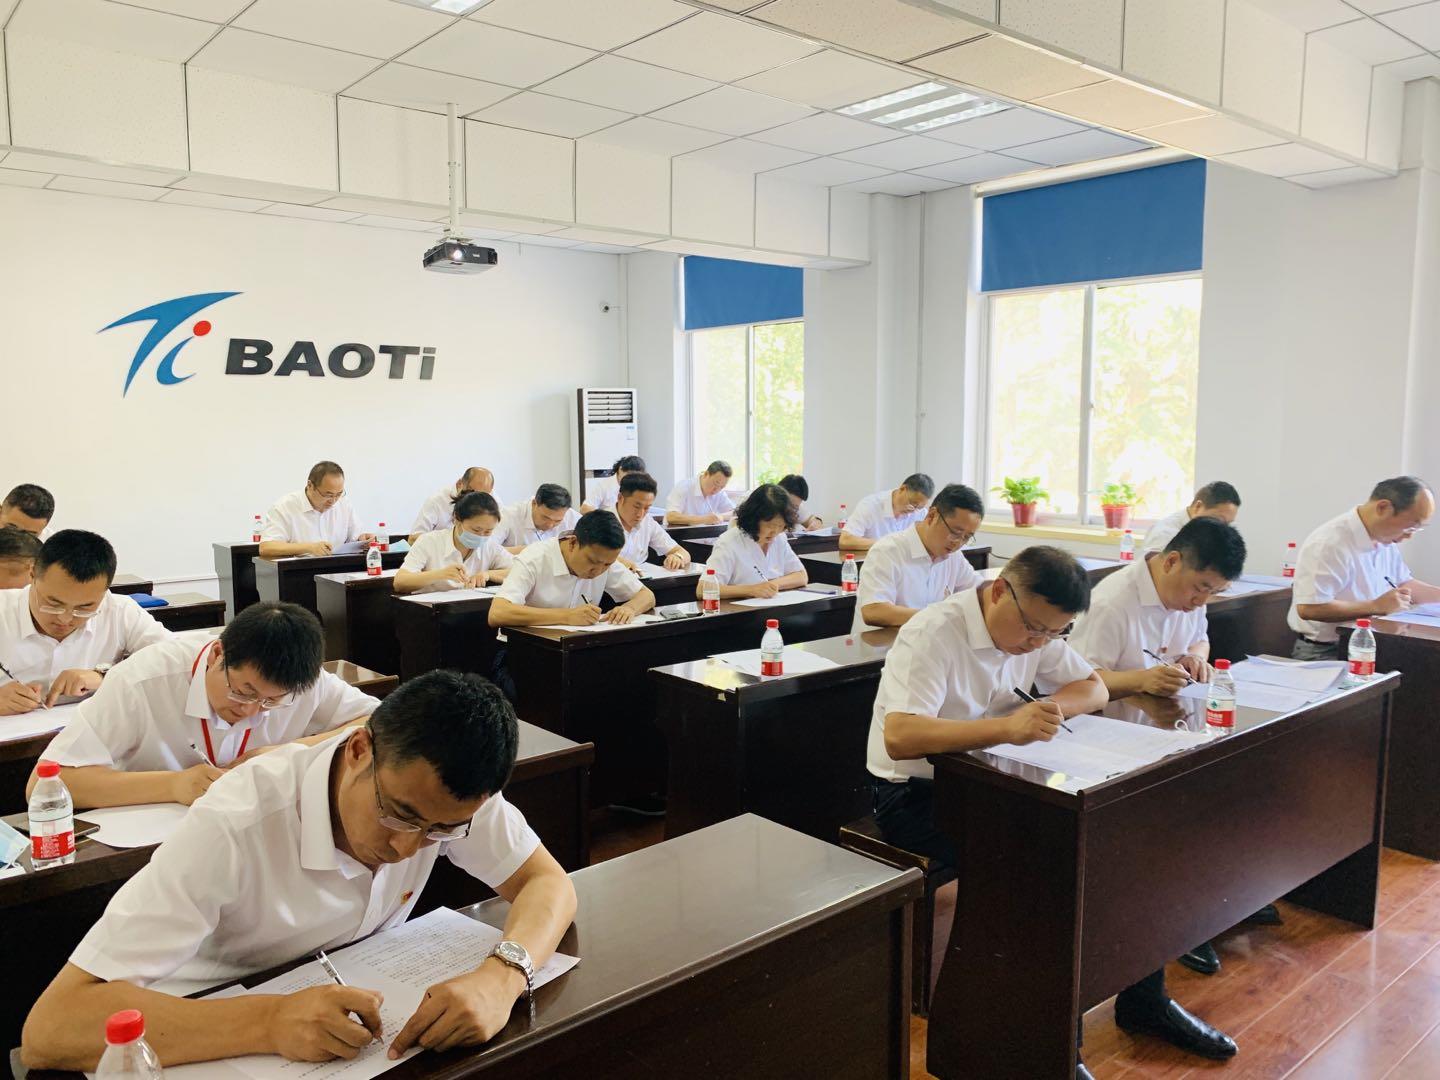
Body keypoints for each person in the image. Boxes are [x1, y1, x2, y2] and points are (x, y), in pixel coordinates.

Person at [21, 670, 577, 1073]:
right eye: (396, 814)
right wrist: (266, 1022)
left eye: (439, 832)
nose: (407, 847)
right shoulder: (236, 821)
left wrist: (503, 976)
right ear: (358, 749)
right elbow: (51, 1027)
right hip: (200, 1031)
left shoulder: (448, 797)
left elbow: (547, 882)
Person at [866, 547, 1233, 1073]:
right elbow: (900, 736)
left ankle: (1144, 1001)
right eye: (1034, 629)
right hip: (916, 793)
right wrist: (1006, 727)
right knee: (1055, 877)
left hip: (997, 779)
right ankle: (1045, 1048)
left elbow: (1094, 686)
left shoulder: (1036, 629)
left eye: (1053, 634)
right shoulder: (933, 632)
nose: (1038, 644)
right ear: (1000, 591)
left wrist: (1049, 710)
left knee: (1124, 845)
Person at [27, 602, 378, 809]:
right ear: (216, 654)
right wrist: (174, 785)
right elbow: (45, 784)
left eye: (271, 702)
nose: (251, 710)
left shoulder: (305, 681)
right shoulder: (142, 679)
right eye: (243, 692)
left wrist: (289, 751)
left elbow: (380, 720)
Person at [1071, 517, 1246, 699]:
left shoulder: (1194, 597)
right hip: (1117, 712)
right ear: (1171, 562)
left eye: (1215, 592)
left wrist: (1195, 658)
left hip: (1169, 710)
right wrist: (1141, 680)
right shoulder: (1110, 603)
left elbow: (1200, 641)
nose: (1201, 602)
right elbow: (1080, 679)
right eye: (1200, 588)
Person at [0, 530, 170, 714]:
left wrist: (104, 675)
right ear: (32, 574)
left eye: (84, 608)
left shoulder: (119, 611)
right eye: (53, 604)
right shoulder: (4, 609)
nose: (65, 619)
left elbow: (173, 659)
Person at [1289, 475, 1440, 660]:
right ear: (1383, 508)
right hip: (1326, 651)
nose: (1409, 537)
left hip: (1371, 644)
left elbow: (1404, 584)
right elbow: (1309, 608)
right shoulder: (1329, 543)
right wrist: (1375, 606)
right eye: (1410, 528)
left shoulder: (1385, 540)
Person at [853, 483, 984, 635]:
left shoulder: (954, 557)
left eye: (967, 537)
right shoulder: (887, 551)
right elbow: (873, 611)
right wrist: (937, 617)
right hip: (882, 646)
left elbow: (979, 592)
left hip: (927, 643)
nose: (958, 543)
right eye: (955, 532)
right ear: (932, 516)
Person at [489, 510, 656, 628]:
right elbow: (498, 612)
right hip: (527, 650)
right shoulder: (535, 557)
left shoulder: (604, 559)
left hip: (578, 648)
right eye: (592, 561)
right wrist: (566, 616)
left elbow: (646, 595)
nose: (598, 571)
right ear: (573, 543)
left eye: (607, 565)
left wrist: (629, 609)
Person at [699, 484, 808, 601]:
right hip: (739, 609)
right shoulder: (728, 542)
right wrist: (751, 590)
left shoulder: (780, 538)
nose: (774, 532)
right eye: (769, 525)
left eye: (781, 526)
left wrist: (771, 585)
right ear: (754, 520)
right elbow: (702, 590)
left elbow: (801, 576)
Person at [395, 492, 513, 595]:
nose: (481, 536)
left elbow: (519, 570)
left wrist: (488, 574)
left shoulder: (489, 547)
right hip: (429, 611)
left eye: (488, 531)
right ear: (457, 519)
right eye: (476, 530)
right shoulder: (429, 541)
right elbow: (400, 582)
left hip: (469, 609)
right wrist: (440, 574)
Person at [259, 461, 375, 558]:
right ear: (310, 485)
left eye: (339, 494)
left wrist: (363, 538)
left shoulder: (343, 504)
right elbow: (266, 547)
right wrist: (309, 547)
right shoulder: (285, 507)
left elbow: (356, 535)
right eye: (327, 495)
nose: (333, 500)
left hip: (339, 568)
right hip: (300, 571)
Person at [610, 473, 690, 572]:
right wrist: (619, 563)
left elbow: (683, 552)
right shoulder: (600, 521)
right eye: (636, 506)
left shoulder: (648, 522)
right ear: (620, 498)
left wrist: (677, 557)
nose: (640, 514)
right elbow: (594, 556)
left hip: (641, 579)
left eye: (647, 508)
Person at [839, 473, 935, 552]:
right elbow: (845, 540)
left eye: (919, 507)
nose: (913, 510)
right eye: (912, 503)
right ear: (902, 489)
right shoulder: (870, 505)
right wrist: (888, 544)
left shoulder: (920, 513)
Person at [1142, 481, 1242, 554]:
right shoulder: (1164, 535)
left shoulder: (1207, 534)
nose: (1223, 529)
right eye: (1219, 520)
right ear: (1198, 507)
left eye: (1227, 524)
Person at [408, 467, 496, 543]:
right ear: (460, 484)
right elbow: (412, 539)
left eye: (483, 496)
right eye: (472, 493)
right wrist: (447, 545)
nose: (477, 501)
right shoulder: (437, 501)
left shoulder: (492, 503)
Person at [493, 484, 580, 554]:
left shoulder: (571, 516)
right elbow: (489, 550)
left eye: (558, 521)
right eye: (545, 517)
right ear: (534, 503)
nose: (550, 525)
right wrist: (533, 550)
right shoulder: (508, 515)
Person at [665, 461, 735, 526]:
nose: (716, 490)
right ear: (706, 474)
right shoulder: (683, 487)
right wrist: (704, 520)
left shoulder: (720, 493)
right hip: (679, 533)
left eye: (722, 487)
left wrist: (720, 516)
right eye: (716, 483)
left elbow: (735, 512)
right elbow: (671, 516)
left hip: (705, 534)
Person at [581, 455, 646, 514]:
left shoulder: (638, 485)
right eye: (629, 475)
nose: (632, 479)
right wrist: (608, 516)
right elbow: (584, 509)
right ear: (620, 469)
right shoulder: (604, 486)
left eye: (636, 476)